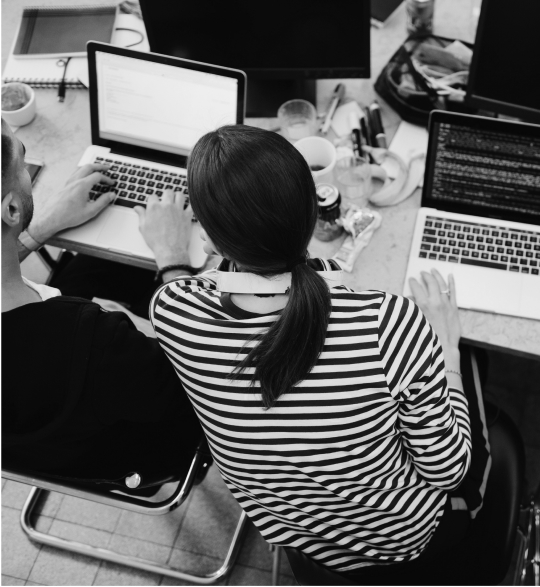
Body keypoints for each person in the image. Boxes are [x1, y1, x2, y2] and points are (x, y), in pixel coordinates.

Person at [148, 125, 490, 581]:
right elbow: (448, 471)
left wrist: (170, 255)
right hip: (405, 540)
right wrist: (446, 348)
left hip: (301, 541)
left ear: (209, 241)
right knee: (477, 376)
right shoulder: (389, 323)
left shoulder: (172, 311)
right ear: (314, 212)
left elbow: (179, 289)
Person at [1, 118, 202, 489]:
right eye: (24, 163)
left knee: (88, 267)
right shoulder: (93, 338)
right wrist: (173, 259)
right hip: (137, 456)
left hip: (27, 445)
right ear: (11, 210)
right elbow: (198, 378)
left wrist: (41, 227)